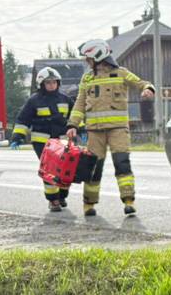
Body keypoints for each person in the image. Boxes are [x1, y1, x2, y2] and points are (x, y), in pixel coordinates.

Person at [65, 39, 155, 217]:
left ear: (98, 56)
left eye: (88, 58)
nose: (86, 62)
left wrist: (148, 89)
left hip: (118, 130)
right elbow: (80, 102)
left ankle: (129, 201)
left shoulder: (121, 73)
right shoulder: (87, 78)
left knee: (122, 163)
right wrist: (72, 124)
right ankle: (89, 204)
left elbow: (141, 83)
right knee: (93, 168)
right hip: (95, 131)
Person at [10, 67, 74, 211]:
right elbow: (23, 120)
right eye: (48, 82)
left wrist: (80, 129)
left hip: (62, 140)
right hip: (42, 142)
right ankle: (53, 201)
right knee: (50, 170)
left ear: (58, 83)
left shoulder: (65, 99)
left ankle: (62, 195)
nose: (51, 85)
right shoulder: (34, 100)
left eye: (54, 82)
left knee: (66, 170)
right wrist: (18, 136)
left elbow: (74, 116)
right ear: (42, 84)